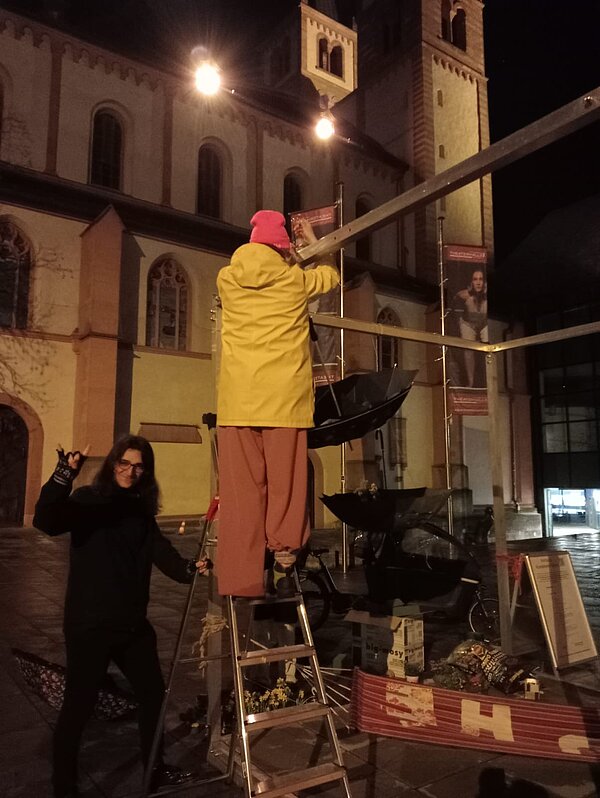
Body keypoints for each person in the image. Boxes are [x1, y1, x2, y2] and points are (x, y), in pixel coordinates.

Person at [33, 435, 207, 798]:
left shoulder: (140, 508)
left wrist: (188, 568)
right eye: (124, 463)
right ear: (113, 464)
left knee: (153, 696)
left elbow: (160, 550)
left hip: (131, 624)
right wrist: (64, 474)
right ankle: (64, 787)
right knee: (78, 707)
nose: (130, 471)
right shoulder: (88, 500)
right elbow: (46, 521)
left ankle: (154, 769)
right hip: (90, 625)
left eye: (139, 466)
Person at [216, 210, 339, 598]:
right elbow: (331, 276)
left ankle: (241, 578)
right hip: (284, 400)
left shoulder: (226, 278)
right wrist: (312, 244)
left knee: (241, 492)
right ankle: (284, 553)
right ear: (282, 249)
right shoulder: (294, 280)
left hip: (237, 401)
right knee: (285, 483)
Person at [454, 268, 488, 388]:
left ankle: (486, 379)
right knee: (468, 350)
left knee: (487, 348)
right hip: (468, 323)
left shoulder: (487, 297)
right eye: (475, 279)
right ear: (472, 282)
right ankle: (471, 382)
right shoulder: (463, 295)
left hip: (483, 323)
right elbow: (456, 306)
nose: (478, 282)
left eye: (481, 279)